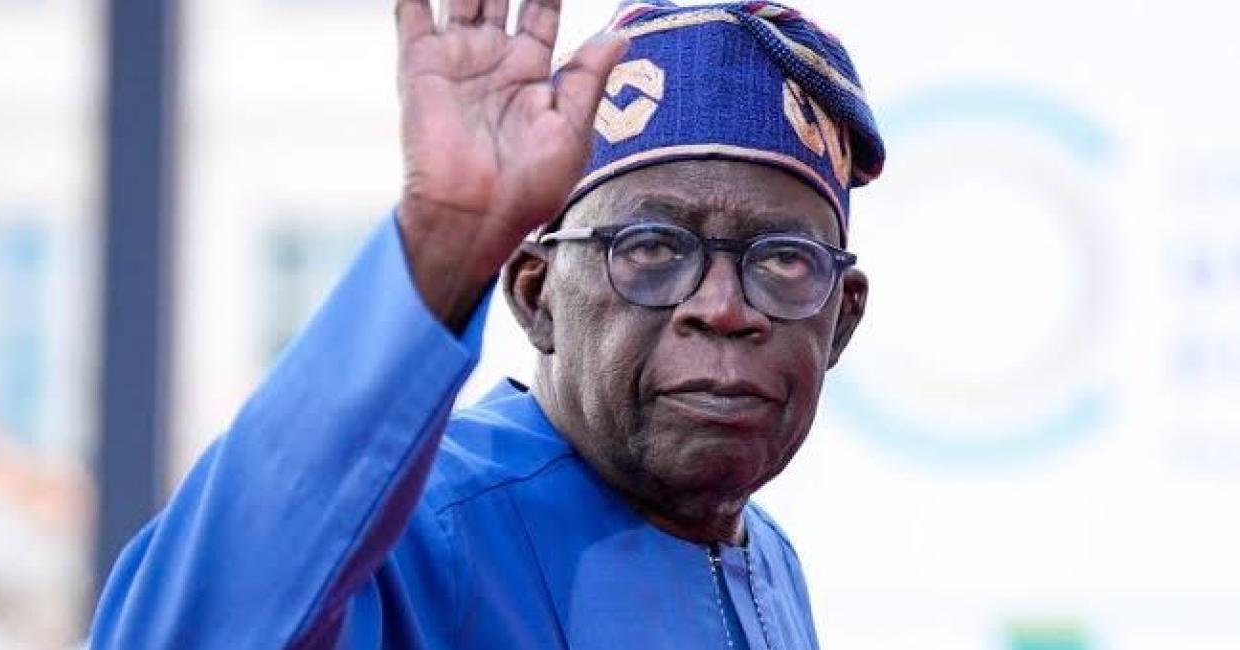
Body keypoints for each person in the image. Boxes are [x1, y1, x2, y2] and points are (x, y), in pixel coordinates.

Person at [89, 0, 886, 647]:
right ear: (537, 296)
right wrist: (442, 243)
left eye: (785, 262)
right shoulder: (423, 532)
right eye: (651, 248)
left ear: (841, 319)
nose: (723, 307)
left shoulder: (768, 559)